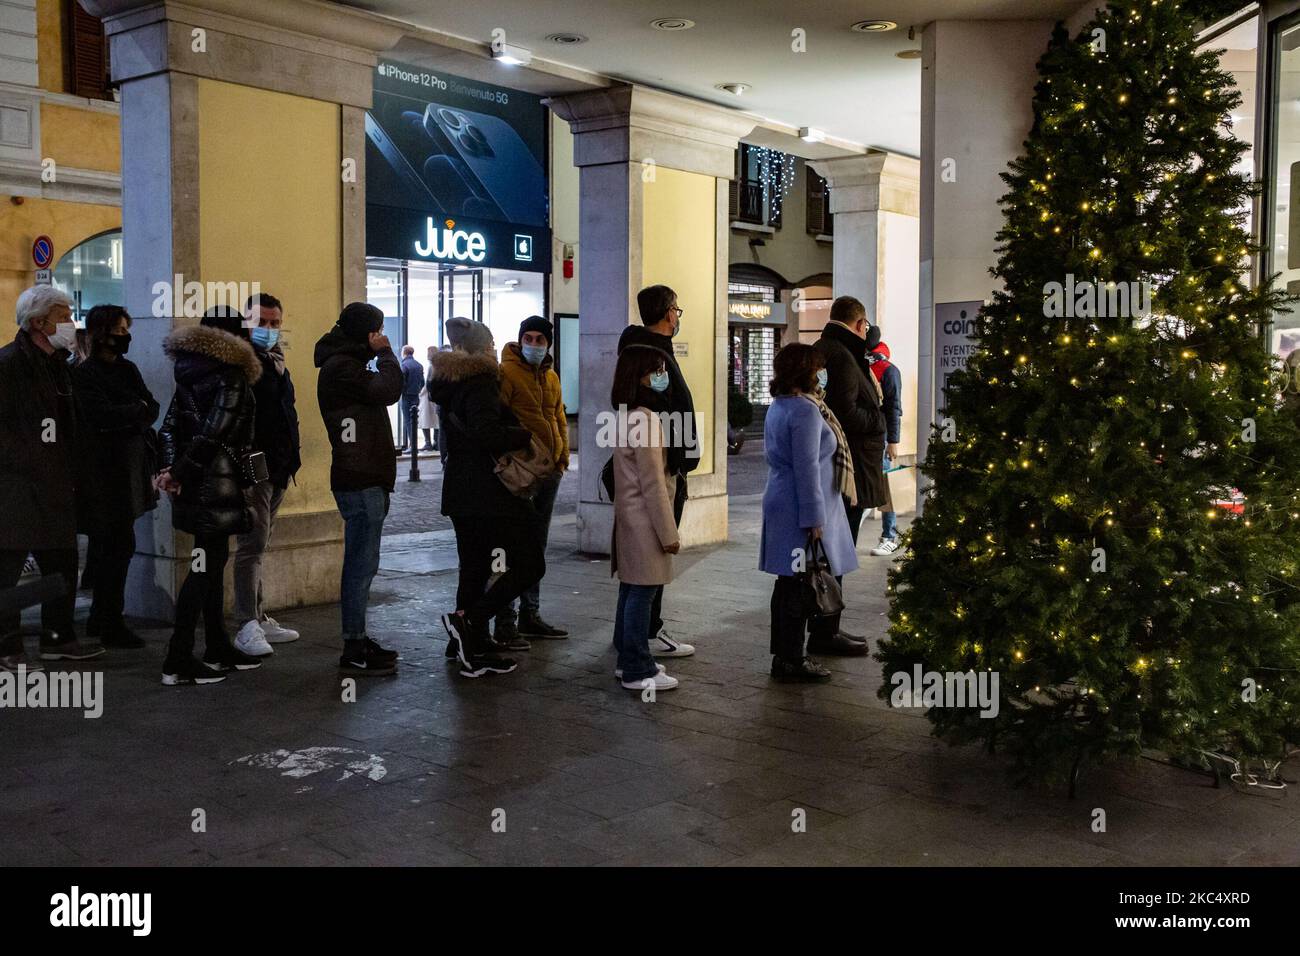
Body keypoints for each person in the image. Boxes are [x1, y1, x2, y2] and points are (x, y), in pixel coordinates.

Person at [157, 306, 266, 685]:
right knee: (203, 569)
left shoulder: (190, 371)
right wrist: (177, 472)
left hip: (198, 488)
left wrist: (172, 472)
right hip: (216, 489)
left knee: (210, 564)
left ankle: (217, 646)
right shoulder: (231, 376)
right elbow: (216, 433)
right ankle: (178, 657)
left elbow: (169, 429)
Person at [430, 316, 541, 678]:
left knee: (475, 569)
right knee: (529, 563)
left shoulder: (449, 381)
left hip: (462, 490)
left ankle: (466, 643)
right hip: (488, 493)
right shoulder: (479, 381)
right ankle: (470, 623)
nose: (496, 348)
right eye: (492, 343)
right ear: (482, 348)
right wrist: (520, 435)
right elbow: (486, 432)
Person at [0, 286, 103, 671]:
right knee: (7, 575)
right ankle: (7, 645)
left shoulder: (60, 366)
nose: (71, 324)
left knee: (61, 567)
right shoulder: (8, 366)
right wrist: (30, 460)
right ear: (38, 322)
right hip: (16, 489)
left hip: (57, 487)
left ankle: (58, 638)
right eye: (63, 316)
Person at [760, 344, 859, 682]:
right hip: (798, 507)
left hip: (784, 500)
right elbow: (807, 469)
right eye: (818, 368)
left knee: (790, 583)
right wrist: (814, 520)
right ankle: (791, 660)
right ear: (806, 371)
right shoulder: (805, 411)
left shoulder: (782, 404)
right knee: (797, 587)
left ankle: (787, 657)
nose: (822, 374)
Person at [315, 302, 404, 676]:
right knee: (360, 565)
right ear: (365, 332)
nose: (381, 336)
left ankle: (359, 637)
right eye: (378, 330)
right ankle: (353, 645)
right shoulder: (341, 367)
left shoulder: (344, 364)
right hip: (360, 477)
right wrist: (385, 353)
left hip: (365, 476)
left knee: (364, 564)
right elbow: (389, 389)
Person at [615, 284, 697, 659]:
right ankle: (637, 651)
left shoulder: (639, 351)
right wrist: (683, 460)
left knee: (637, 575)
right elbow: (652, 483)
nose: (678, 316)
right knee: (646, 574)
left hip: (667, 465)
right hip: (663, 471)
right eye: (677, 309)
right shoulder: (648, 356)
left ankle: (633, 640)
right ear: (668, 313)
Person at [71, 304, 160, 649]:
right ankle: (108, 620)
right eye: (119, 330)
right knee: (111, 547)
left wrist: (134, 412)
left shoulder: (127, 369)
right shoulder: (86, 374)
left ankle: (105, 616)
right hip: (101, 475)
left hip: (129, 471)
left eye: (126, 329)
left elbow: (149, 406)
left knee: (120, 546)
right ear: (101, 332)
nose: (124, 337)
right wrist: (134, 411)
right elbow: (100, 416)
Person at [811, 295, 887, 657]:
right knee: (836, 552)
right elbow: (845, 411)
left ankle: (827, 628)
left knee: (833, 553)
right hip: (849, 469)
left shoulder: (828, 348)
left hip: (844, 466)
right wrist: (880, 421)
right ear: (860, 324)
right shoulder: (843, 355)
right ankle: (826, 631)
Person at [231, 292, 301, 657]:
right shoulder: (244, 364)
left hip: (279, 465)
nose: (270, 329)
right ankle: (244, 622)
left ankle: (257, 616)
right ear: (246, 323)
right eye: (262, 323)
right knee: (251, 545)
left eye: (275, 323)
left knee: (261, 543)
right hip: (255, 464)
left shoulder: (276, 361)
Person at [610, 344, 681, 691]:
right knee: (643, 592)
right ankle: (638, 667)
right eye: (655, 371)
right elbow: (654, 483)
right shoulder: (645, 419)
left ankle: (629, 660)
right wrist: (669, 533)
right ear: (638, 377)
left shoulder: (627, 415)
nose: (662, 377)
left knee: (632, 588)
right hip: (646, 522)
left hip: (631, 517)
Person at [493, 315, 569, 643]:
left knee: (537, 545)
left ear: (548, 343)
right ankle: (506, 619)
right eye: (530, 338)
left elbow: (559, 416)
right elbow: (499, 418)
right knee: (512, 545)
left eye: (540, 339)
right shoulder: (506, 372)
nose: (534, 345)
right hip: (521, 472)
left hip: (549, 471)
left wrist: (562, 456)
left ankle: (530, 613)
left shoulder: (551, 376)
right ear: (520, 339)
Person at [866, 327, 903, 556]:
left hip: (880, 438)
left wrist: (893, 441)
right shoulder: (864, 365)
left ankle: (890, 535)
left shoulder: (888, 370)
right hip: (866, 437)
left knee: (884, 486)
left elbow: (893, 408)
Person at [396, 344, 424, 455]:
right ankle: (413, 445)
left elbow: (402, 382)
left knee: (408, 421)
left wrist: (401, 391)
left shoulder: (404, 365)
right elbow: (422, 383)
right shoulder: (419, 365)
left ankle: (413, 447)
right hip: (416, 396)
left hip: (406, 396)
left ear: (404, 353)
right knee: (414, 422)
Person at [418, 345, 438, 452]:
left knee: (425, 420)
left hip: (428, 398)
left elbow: (428, 383)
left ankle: (428, 443)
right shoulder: (438, 365)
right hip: (435, 398)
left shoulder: (431, 366)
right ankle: (436, 442)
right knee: (435, 421)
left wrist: (421, 393)